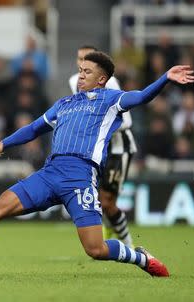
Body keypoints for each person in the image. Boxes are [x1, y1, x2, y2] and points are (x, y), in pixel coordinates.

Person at [0, 51, 194, 277]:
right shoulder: (65, 103)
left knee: (95, 249)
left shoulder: (112, 100)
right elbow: (33, 128)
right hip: (50, 172)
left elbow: (142, 96)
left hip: (80, 178)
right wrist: (2, 144)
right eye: (80, 70)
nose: (80, 76)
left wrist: (165, 78)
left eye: (87, 72)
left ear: (101, 79)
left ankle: (141, 257)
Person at [69, 46, 137, 246]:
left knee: (107, 201)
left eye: (87, 60)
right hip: (98, 151)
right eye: (80, 58)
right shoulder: (74, 81)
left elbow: (127, 122)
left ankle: (129, 244)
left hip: (118, 148)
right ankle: (108, 230)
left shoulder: (110, 82)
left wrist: (98, 125)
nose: (83, 64)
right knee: (97, 200)